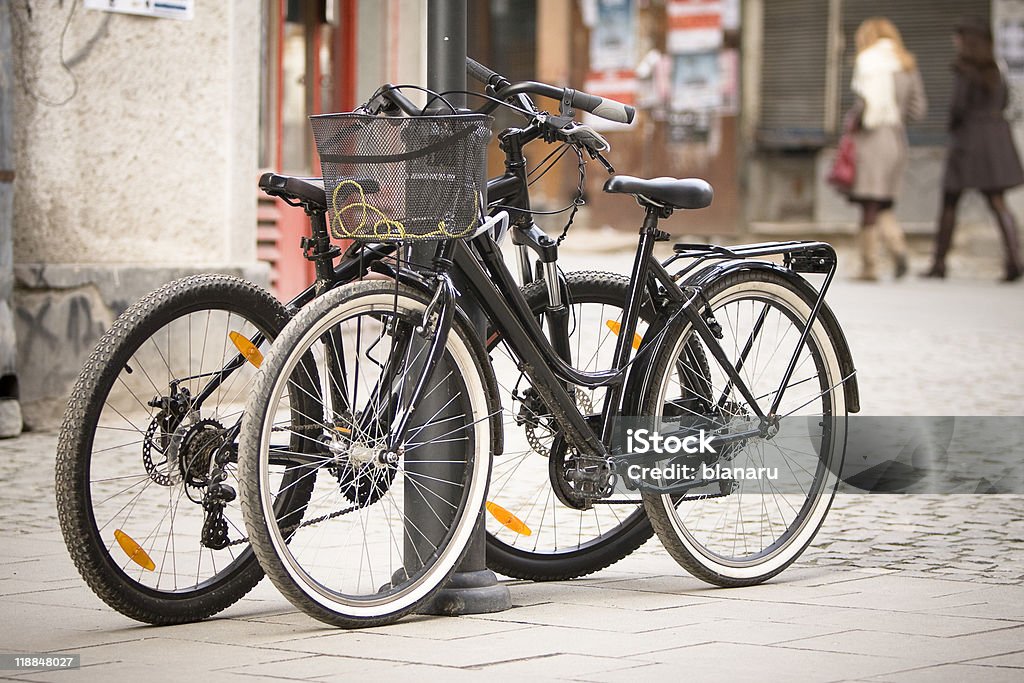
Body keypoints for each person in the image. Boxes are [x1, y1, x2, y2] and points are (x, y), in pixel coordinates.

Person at [923, 17, 1023, 282]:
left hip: (968, 141)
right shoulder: (998, 68)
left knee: (950, 201)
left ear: (968, 41)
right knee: (998, 201)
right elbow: (1006, 102)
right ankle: (1014, 261)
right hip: (996, 139)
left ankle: (939, 263)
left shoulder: (964, 69)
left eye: (958, 38)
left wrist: (953, 130)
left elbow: (957, 107)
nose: (954, 42)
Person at [848, 18, 927, 281]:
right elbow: (918, 110)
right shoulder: (906, 64)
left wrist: (850, 123)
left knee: (869, 203)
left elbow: (863, 107)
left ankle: (870, 266)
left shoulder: (868, 62)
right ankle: (898, 248)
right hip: (896, 138)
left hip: (872, 139)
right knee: (883, 202)